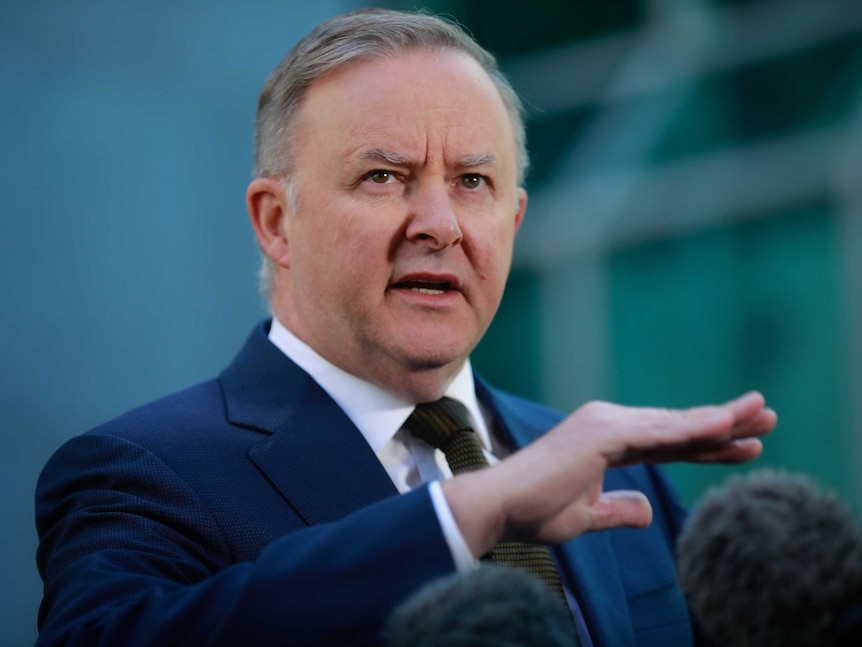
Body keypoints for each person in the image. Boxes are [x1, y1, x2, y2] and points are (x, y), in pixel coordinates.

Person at [35, 8, 777, 647]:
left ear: (513, 222)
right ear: (276, 222)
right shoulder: (141, 473)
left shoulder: (618, 476)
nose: (440, 224)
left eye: (472, 182)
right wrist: (466, 517)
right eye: (383, 176)